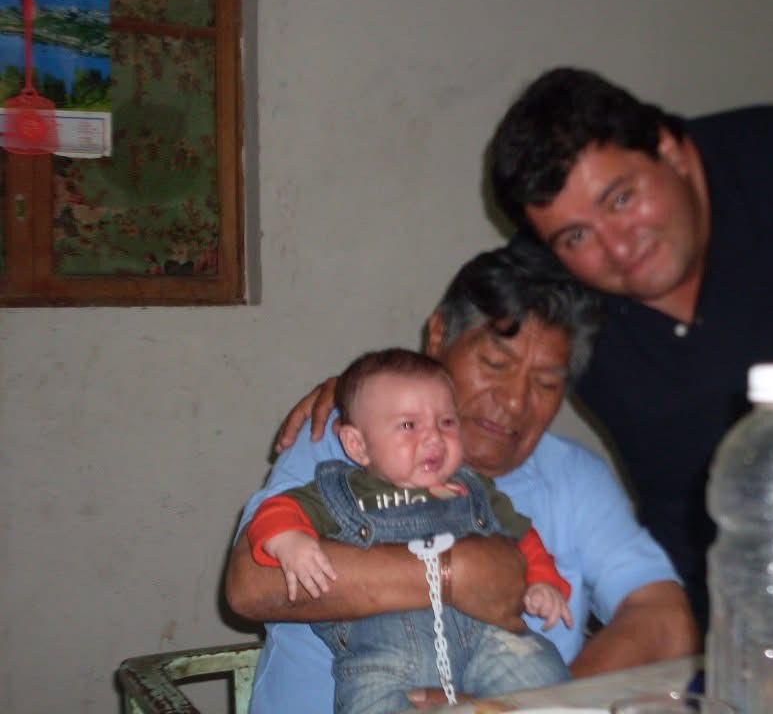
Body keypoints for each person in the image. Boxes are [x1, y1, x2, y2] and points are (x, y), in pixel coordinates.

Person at [279, 66, 773, 634]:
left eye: (621, 198)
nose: (618, 248)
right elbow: (471, 340)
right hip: (711, 602)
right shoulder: (553, 274)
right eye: (575, 238)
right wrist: (363, 391)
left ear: (670, 148)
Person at [225, 240, 698, 714]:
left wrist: (534, 706)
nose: (513, 401)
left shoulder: (572, 476)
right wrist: (454, 573)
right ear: (438, 337)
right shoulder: (340, 442)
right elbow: (251, 584)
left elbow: (665, 618)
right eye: (495, 364)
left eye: (546, 382)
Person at [249, 347, 572, 713]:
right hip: (383, 664)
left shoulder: (474, 489)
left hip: (490, 643)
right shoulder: (339, 493)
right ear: (358, 445)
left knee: (542, 677)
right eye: (408, 426)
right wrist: (288, 539)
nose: (433, 439)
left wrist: (544, 581)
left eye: (446, 422)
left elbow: (522, 537)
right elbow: (277, 511)